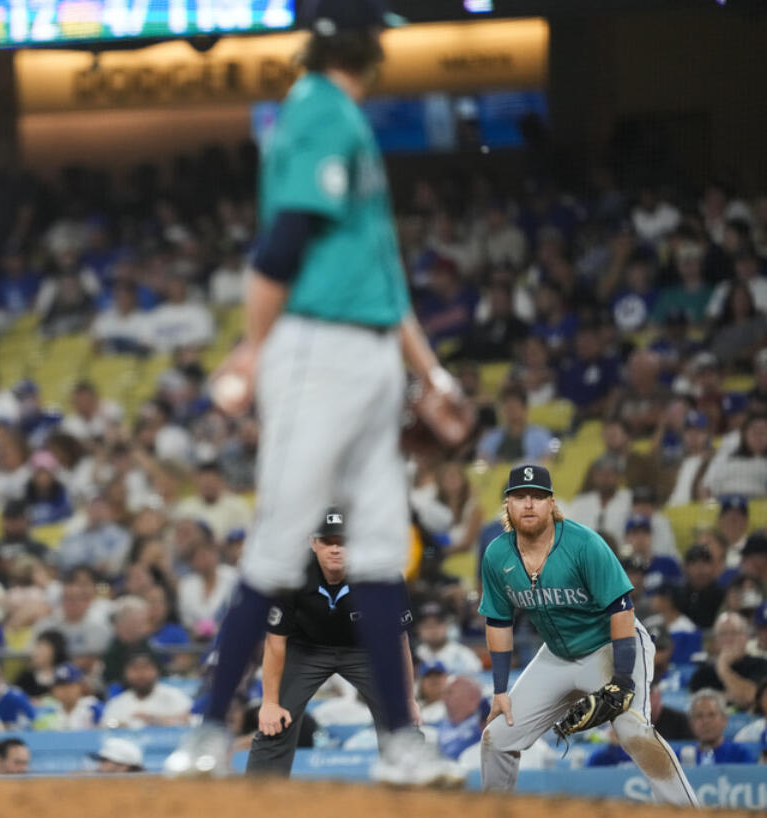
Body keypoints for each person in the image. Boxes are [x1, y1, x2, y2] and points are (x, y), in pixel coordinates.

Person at [165, 0, 469, 784]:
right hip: (314, 349)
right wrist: (252, 351)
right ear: (363, 43)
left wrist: (430, 373)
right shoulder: (317, 111)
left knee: (375, 555)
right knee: (276, 546)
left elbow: (384, 274)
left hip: (369, 355)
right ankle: (206, 735)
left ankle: (401, 743)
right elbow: (286, 237)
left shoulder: (346, 118)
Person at [479, 465, 696, 806]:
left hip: (610, 646)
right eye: (520, 497)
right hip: (557, 656)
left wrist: (623, 678)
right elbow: (498, 621)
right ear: (508, 505)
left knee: (632, 729)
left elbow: (622, 608)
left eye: (538, 496)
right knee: (497, 738)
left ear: (551, 503)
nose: (529, 504)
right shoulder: (497, 555)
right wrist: (500, 690)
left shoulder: (583, 544)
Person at [245, 507, 419, 777]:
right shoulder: (291, 574)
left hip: (367, 650)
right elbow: (275, 642)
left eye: (343, 542)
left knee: (402, 722)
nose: (336, 549)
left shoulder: (381, 575)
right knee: (275, 720)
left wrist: (408, 699)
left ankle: (415, 793)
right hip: (305, 649)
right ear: (314, 544)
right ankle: (258, 800)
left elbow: (398, 642)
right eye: (328, 542)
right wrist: (269, 703)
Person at [685, 689, 755, 765]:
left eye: (712, 715)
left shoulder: (741, 754)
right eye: (699, 715)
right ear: (691, 723)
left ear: (724, 720)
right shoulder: (680, 758)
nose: (705, 721)